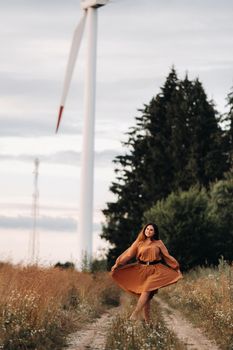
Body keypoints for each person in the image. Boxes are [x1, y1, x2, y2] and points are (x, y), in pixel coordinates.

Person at [111, 223, 182, 323]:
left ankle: (135, 314)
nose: (148, 231)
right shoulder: (139, 242)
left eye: (151, 230)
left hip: (155, 270)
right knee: (146, 297)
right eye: (147, 229)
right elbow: (128, 255)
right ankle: (148, 323)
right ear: (144, 230)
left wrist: (176, 267)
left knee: (147, 289)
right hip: (141, 269)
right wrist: (117, 264)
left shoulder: (159, 243)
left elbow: (167, 256)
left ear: (154, 232)